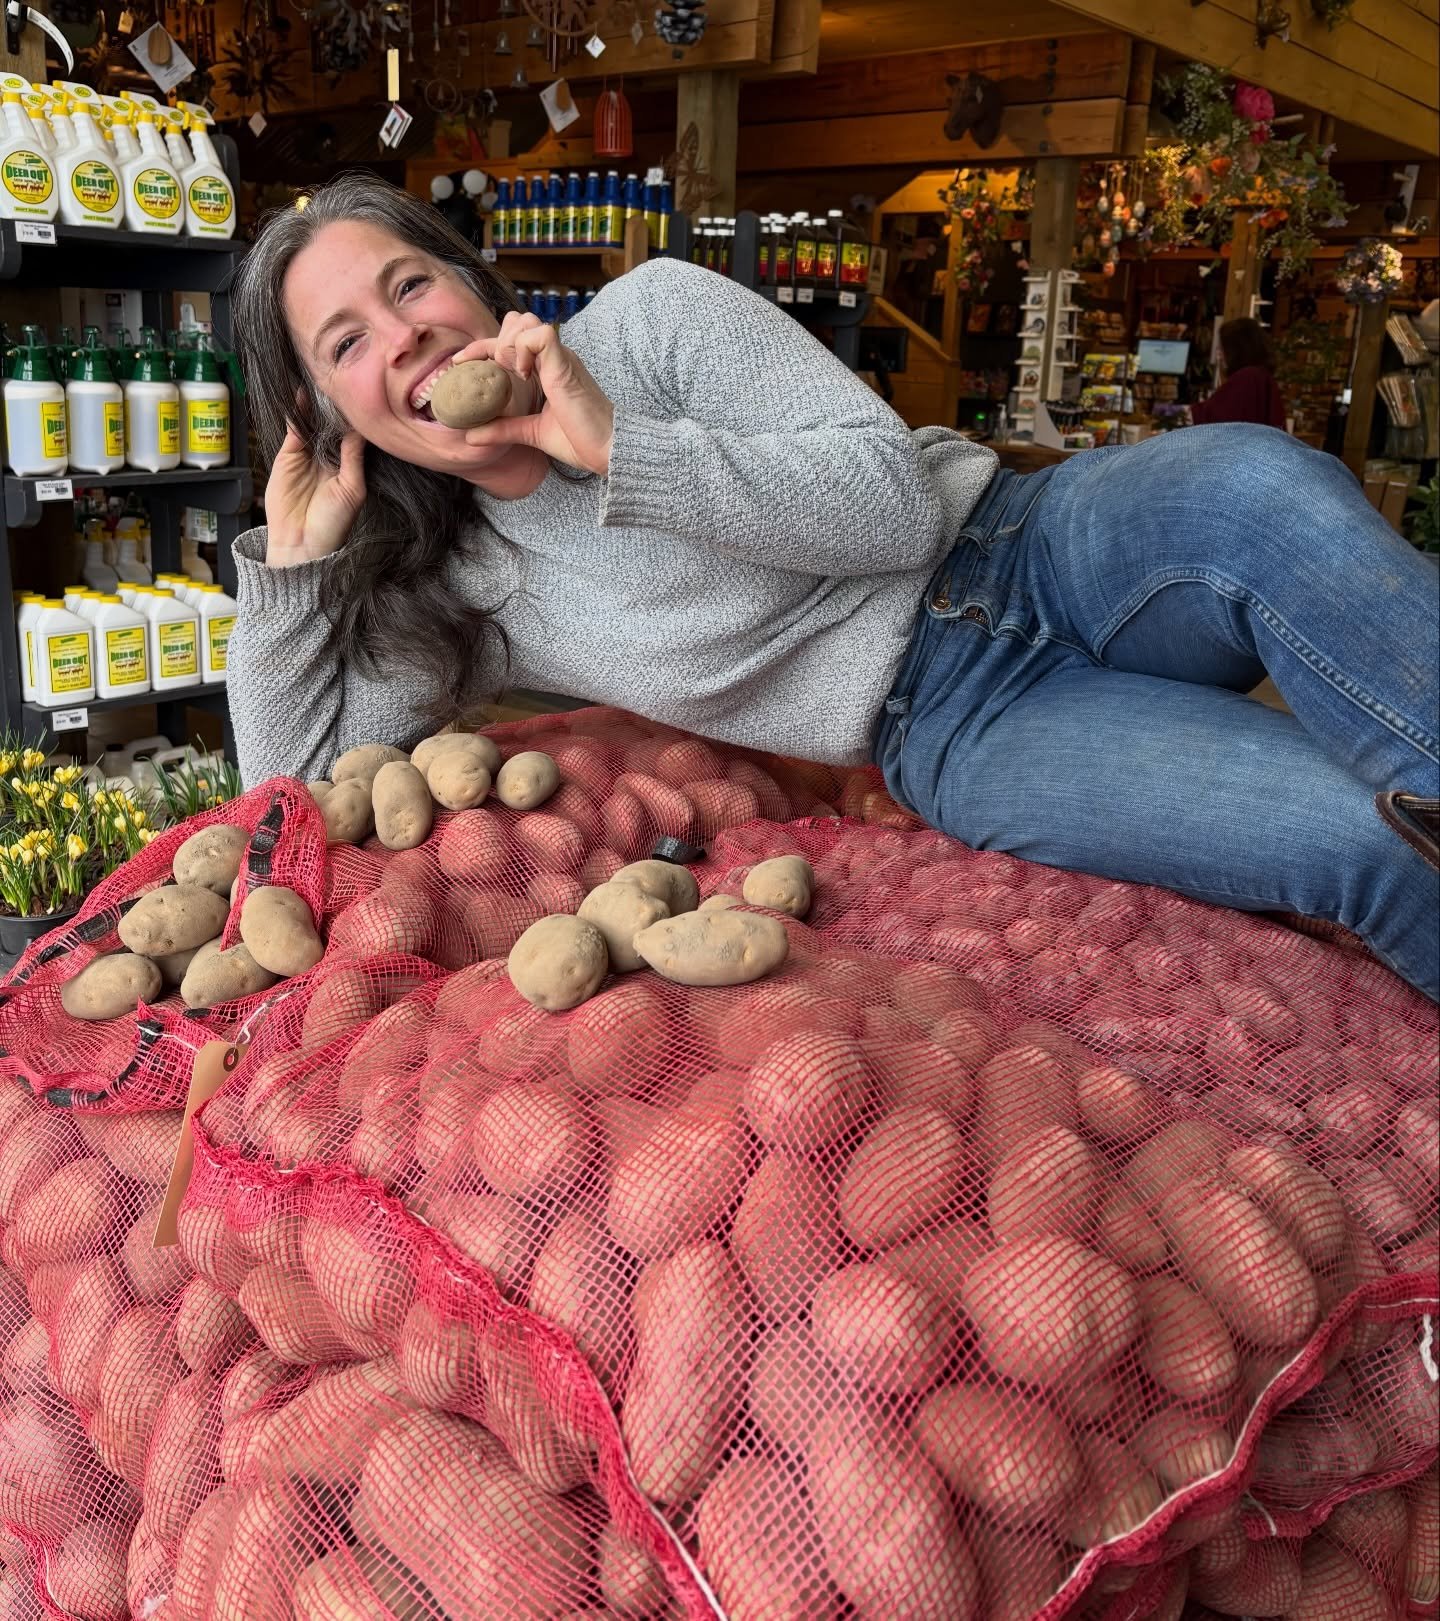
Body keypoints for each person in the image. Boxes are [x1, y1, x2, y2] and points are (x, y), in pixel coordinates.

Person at [227, 173, 1440, 1001]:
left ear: (469, 285)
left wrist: (615, 446)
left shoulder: (649, 322)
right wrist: (293, 574)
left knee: (1258, 487)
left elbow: (892, 504)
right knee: (1368, 847)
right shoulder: (458, 590)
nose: (405, 338)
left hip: (1031, 536)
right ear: (337, 418)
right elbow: (283, 801)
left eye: (408, 286)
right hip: (959, 722)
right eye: (345, 345)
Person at [1190, 317, 1287, 430]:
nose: (1220, 355)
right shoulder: (1260, 374)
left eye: (1222, 347)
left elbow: (1217, 413)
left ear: (1236, 349)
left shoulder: (1247, 377)